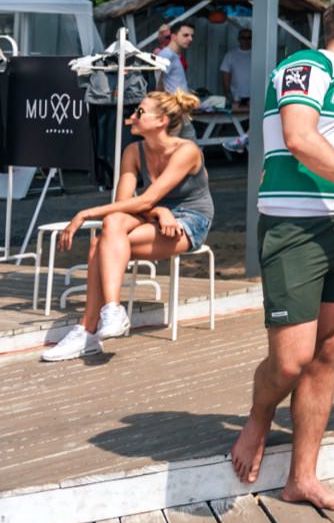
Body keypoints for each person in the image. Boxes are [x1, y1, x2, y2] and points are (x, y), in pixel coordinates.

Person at [230, 0, 334, 510]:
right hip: (296, 228)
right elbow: (299, 140)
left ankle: (302, 477)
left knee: (327, 352)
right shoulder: (305, 66)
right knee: (290, 360)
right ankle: (259, 419)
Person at [43, 92, 214, 361]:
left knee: (101, 244)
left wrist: (85, 213)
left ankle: (88, 330)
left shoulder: (186, 151)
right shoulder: (134, 151)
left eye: (140, 113)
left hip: (190, 219)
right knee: (111, 224)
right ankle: (111, 311)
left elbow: (144, 198)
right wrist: (159, 211)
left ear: (161, 120)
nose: (130, 118)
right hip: (153, 214)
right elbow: (124, 203)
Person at [218, 28, 254, 109]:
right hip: (236, 97)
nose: (246, 40)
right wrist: (226, 94)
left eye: (249, 38)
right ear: (238, 39)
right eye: (243, 38)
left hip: (255, 96)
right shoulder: (230, 55)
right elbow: (225, 75)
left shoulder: (258, 54)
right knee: (236, 119)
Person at [156, 20, 195, 95]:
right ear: (174, 36)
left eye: (192, 36)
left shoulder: (175, 55)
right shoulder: (166, 55)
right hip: (174, 104)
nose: (190, 39)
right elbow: (158, 84)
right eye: (185, 35)